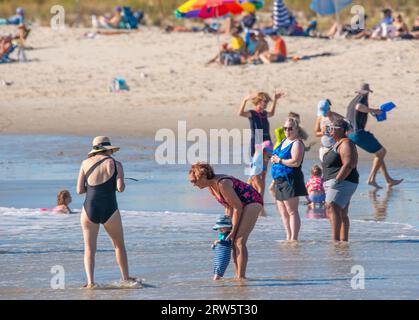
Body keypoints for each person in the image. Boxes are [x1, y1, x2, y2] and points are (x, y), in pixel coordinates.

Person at [77, 136, 136, 288]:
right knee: (119, 246)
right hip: (110, 208)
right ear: (109, 149)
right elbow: (120, 188)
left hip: (89, 208)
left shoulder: (85, 163)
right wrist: (115, 183)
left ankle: (90, 282)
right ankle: (126, 278)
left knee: (89, 248)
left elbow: (79, 190)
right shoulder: (116, 164)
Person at [189, 163, 263, 280]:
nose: (193, 184)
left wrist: (233, 229)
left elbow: (237, 206)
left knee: (239, 240)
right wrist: (226, 229)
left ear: (202, 177)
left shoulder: (222, 183)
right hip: (239, 205)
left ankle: (241, 277)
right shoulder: (211, 187)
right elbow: (228, 206)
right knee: (231, 241)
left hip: (252, 201)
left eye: (194, 181)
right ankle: (238, 275)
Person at [346, 83, 403, 189]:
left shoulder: (352, 101)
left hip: (349, 133)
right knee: (382, 152)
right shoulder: (362, 99)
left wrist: (372, 112)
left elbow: (357, 112)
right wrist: (374, 110)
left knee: (379, 153)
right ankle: (371, 179)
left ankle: (388, 180)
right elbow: (359, 107)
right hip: (358, 133)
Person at [239, 90, 284, 198]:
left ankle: (258, 198)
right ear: (258, 102)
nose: (265, 104)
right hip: (257, 143)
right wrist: (244, 100)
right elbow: (240, 113)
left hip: (267, 143)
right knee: (254, 171)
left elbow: (272, 113)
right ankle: (250, 195)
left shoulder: (264, 114)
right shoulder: (252, 113)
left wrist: (275, 100)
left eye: (267, 102)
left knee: (262, 172)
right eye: (264, 102)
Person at [271, 118, 308, 241]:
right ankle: (288, 236)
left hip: (290, 178)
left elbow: (296, 162)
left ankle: (294, 238)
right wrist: (274, 159)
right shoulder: (283, 141)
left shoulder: (297, 143)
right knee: (283, 211)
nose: (287, 130)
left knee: (292, 211)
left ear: (297, 129)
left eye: (290, 128)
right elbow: (277, 156)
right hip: (279, 179)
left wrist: (279, 160)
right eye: (285, 128)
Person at [323, 119, 359, 242]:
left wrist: (337, 181)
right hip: (339, 182)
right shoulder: (338, 143)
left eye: (333, 128)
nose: (330, 130)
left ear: (342, 130)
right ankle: (343, 243)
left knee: (331, 207)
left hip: (342, 182)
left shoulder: (346, 143)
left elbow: (349, 164)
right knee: (342, 212)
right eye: (330, 128)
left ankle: (335, 241)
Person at [211, 215, 232, 281]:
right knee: (216, 268)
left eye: (222, 228)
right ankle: (216, 281)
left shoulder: (229, 234)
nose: (220, 229)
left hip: (224, 256)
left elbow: (229, 244)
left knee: (219, 269)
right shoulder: (221, 234)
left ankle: (216, 281)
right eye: (219, 228)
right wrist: (214, 244)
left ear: (228, 228)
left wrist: (220, 241)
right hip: (218, 256)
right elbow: (219, 244)